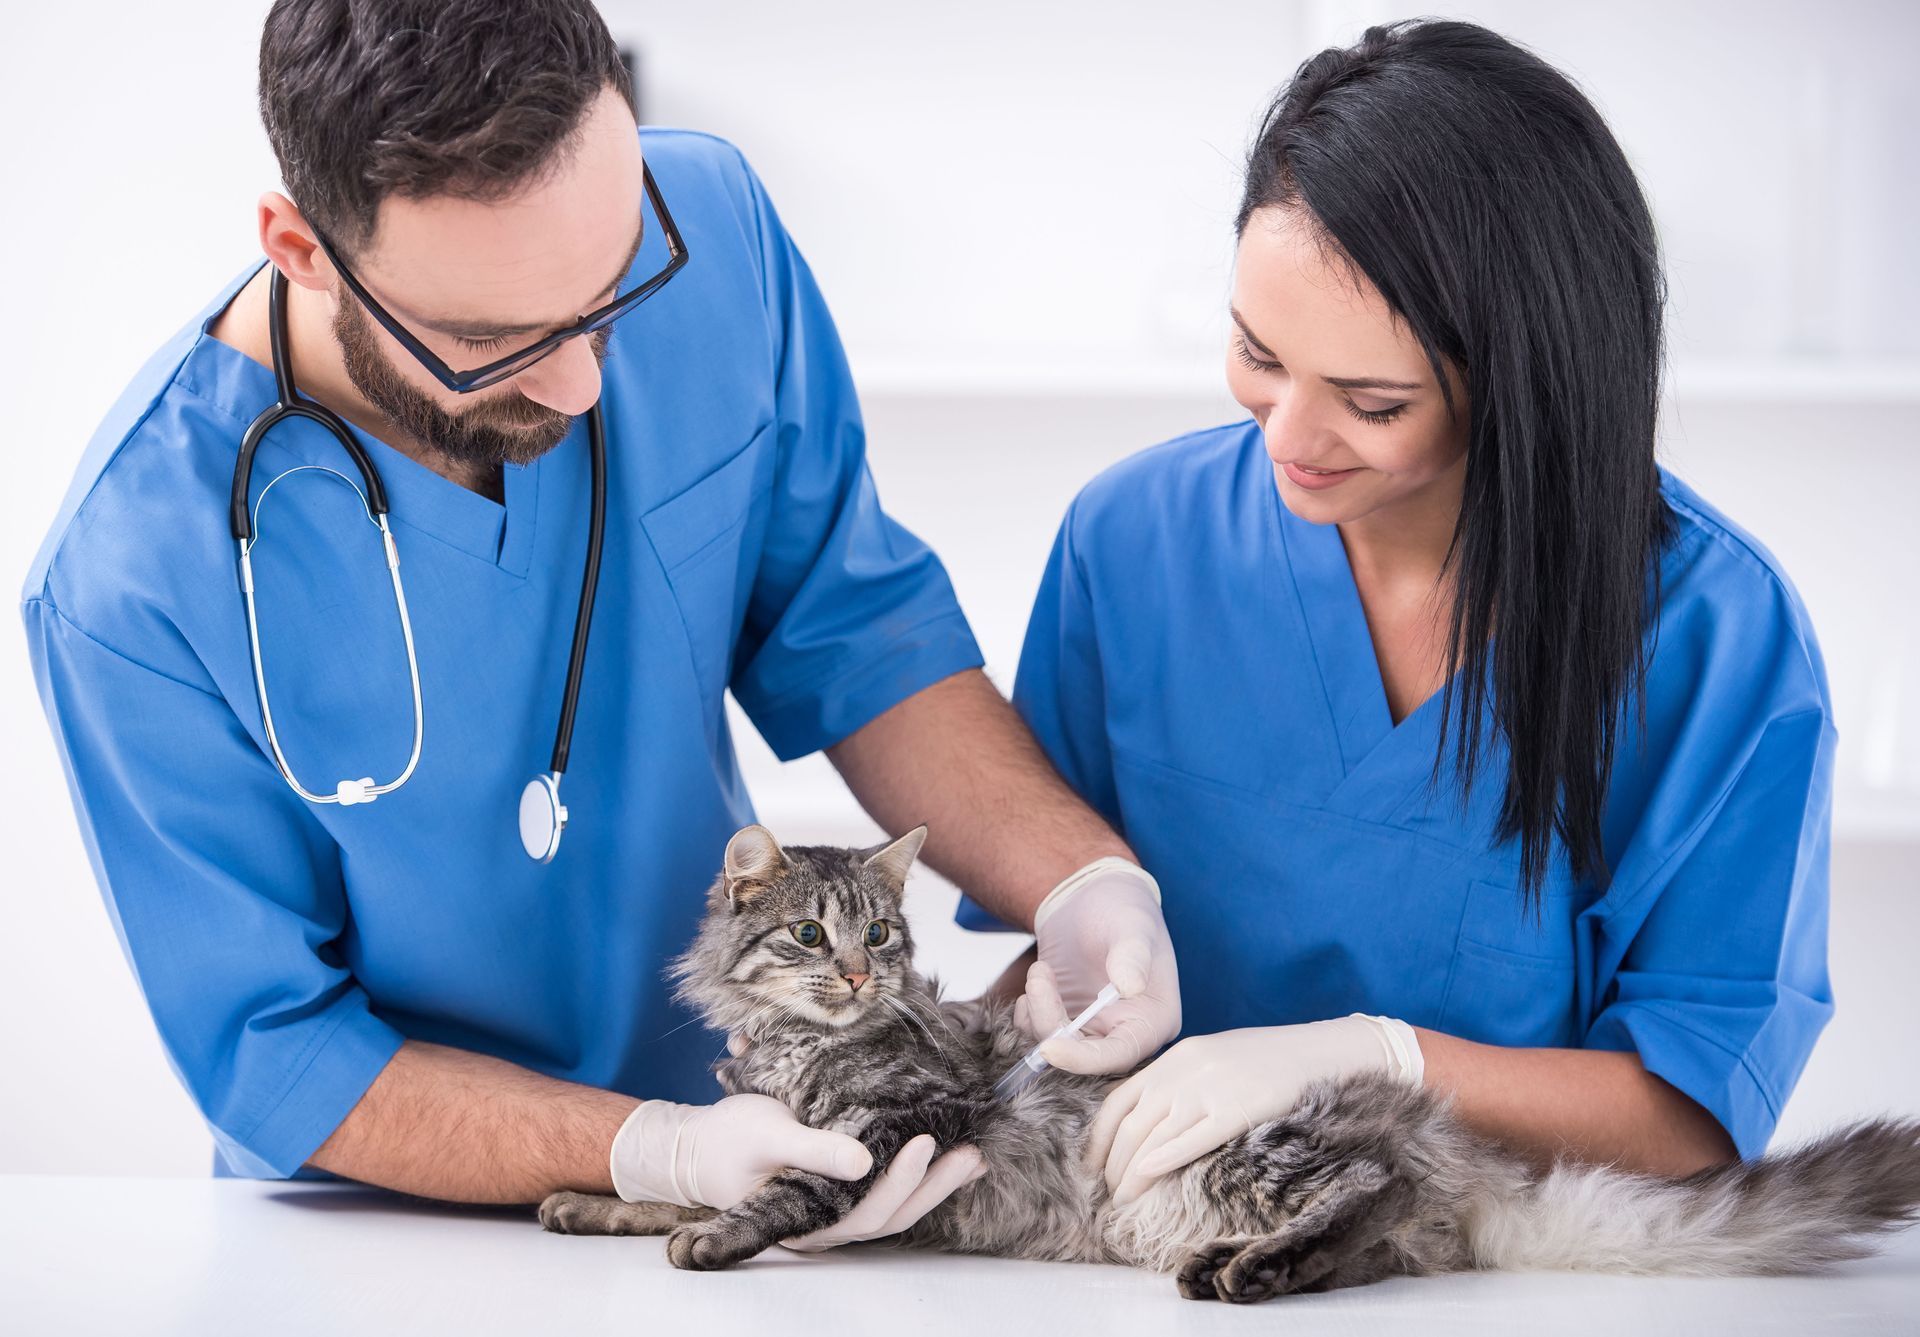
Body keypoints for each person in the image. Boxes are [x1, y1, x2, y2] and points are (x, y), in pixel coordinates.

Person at [21, 0, 1179, 1236]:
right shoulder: (128, 582)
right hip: (397, 1240)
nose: (579, 383)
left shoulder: (715, 225)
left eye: (612, 290)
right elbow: (278, 1054)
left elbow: (851, 630)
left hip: (783, 1131)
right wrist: (658, 1147)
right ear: (300, 248)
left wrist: (1080, 883)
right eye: (489, 340)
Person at [990, 19, 1834, 1206]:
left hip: (1511, 1273)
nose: (1284, 438)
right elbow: (1046, 921)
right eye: (1255, 352)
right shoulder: (1133, 540)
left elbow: (1694, 1115)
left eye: (1371, 401)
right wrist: (1057, 983)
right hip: (1154, 1244)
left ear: (1526, 379)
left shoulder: (1711, 635)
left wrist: (1375, 1057)